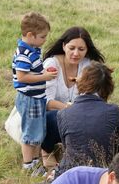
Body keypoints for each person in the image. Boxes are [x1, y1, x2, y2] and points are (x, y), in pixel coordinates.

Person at [42, 27, 105, 173]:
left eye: (81, 49)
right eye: (72, 48)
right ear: (64, 46)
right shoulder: (52, 64)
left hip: (79, 115)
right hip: (53, 116)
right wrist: (71, 108)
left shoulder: (88, 66)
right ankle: (46, 150)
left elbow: (94, 98)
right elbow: (46, 102)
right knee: (50, 117)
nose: (76, 53)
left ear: (87, 50)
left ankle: (76, 154)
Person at [56, 61, 119, 174]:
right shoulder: (113, 111)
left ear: (81, 83)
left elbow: (68, 147)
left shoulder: (63, 113)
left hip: (71, 173)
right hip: (104, 173)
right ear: (108, 87)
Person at [12, 12, 58, 175]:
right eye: (42, 37)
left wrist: (44, 71)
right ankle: (28, 165)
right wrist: (44, 76)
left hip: (37, 98)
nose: (45, 40)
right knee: (30, 132)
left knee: (38, 130)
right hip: (30, 99)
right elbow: (22, 77)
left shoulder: (33, 50)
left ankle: (36, 161)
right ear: (30, 35)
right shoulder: (25, 54)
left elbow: (33, 71)